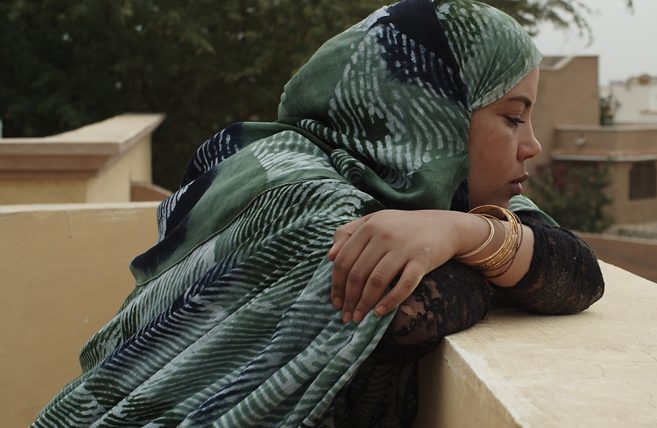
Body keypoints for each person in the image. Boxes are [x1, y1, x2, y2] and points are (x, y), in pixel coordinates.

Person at [33, 0, 603, 426]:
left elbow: (579, 274)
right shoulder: (291, 186)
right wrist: (490, 255)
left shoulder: (439, 198)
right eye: (512, 117)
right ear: (432, 113)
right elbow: (408, 313)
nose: (532, 145)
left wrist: (459, 231)